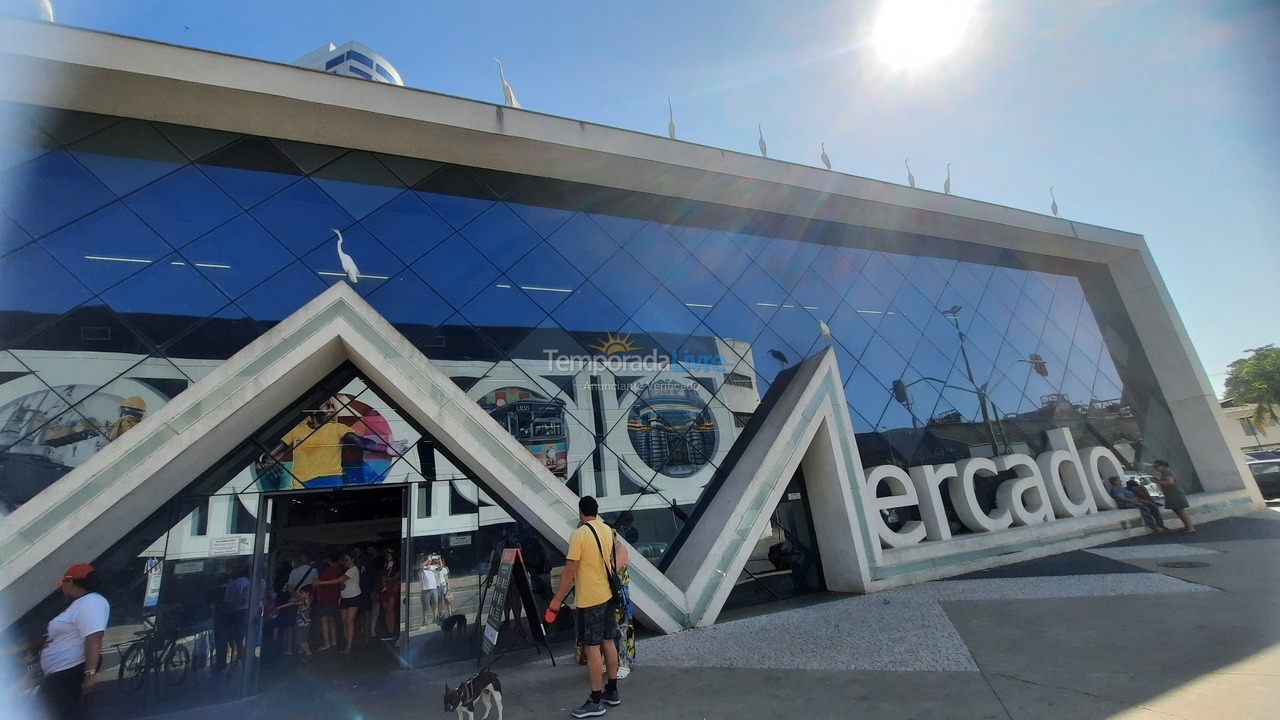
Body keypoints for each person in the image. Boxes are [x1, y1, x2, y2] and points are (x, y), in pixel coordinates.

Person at [549, 497, 621, 718]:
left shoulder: (579, 535)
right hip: (608, 595)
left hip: (589, 598)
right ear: (596, 512)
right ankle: (612, 691)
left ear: (580, 511)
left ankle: (596, 700)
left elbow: (570, 571)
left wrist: (556, 599)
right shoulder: (607, 530)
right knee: (608, 641)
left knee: (591, 648)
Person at [258, 398, 407, 488]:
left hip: (330, 482)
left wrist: (386, 448)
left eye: (332, 407)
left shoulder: (338, 428)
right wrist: (267, 461)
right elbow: (271, 454)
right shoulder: (297, 430)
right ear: (314, 409)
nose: (331, 410)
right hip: (301, 485)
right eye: (327, 406)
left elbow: (361, 443)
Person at [38, 563, 108, 720]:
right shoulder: (80, 604)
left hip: (70, 670)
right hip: (61, 671)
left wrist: (89, 674)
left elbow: (94, 637)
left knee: (63, 713)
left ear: (70, 582)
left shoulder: (91, 602)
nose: (62, 588)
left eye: (63, 583)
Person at [313, 553, 360, 654]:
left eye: (347, 560)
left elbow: (340, 580)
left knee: (349, 621)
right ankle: (348, 642)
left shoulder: (353, 570)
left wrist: (321, 583)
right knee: (344, 621)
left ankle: (349, 646)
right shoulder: (346, 570)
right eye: (345, 560)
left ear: (353, 560)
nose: (345, 562)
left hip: (353, 597)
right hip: (344, 597)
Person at [1151, 460, 1195, 533]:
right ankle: (1187, 526)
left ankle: (1190, 527)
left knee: (1181, 511)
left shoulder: (1167, 472)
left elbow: (1170, 482)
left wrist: (1157, 482)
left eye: (1156, 466)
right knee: (1177, 511)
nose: (1155, 469)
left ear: (1162, 466)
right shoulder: (1164, 473)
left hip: (1175, 494)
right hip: (1170, 495)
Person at [276, 585, 314, 662]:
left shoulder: (303, 602)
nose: (300, 595)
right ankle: (307, 652)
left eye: (302, 593)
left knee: (300, 640)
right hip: (306, 622)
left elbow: (292, 603)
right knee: (304, 639)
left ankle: (308, 653)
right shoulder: (309, 601)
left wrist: (280, 606)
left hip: (301, 623)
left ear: (307, 593)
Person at [313, 557, 341, 651]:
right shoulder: (336, 572)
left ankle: (326, 643)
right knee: (332, 620)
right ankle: (334, 641)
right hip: (333, 600)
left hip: (324, 600)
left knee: (324, 622)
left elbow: (317, 586)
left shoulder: (322, 573)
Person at [378, 548, 400, 640]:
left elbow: (397, 575)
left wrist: (390, 580)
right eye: (387, 555)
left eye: (389, 555)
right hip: (385, 586)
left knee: (390, 608)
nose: (388, 557)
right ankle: (389, 630)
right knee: (386, 608)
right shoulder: (385, 565)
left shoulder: (397, 565)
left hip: (392, 585)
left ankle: (392, 630)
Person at [419, 554, 439, 626]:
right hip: (425, 589)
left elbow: (440, 567)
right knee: (425, 606)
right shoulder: (422, 568)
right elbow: (420, 566)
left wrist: (438, 559)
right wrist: (427, 560)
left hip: (434, 588)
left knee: (435, 604)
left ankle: (435, 618)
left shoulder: (432, 567)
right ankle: (425, 620)